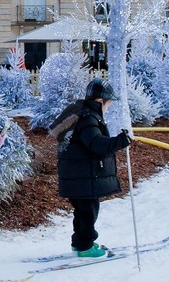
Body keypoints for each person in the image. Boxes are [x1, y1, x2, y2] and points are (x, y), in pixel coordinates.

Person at [50, 78, 134, 259]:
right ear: (99, 101)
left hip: (77, 176)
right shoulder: (89, 118)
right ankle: (85, 247)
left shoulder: (81, 113)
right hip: (84, 176)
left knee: (82, 211)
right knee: (88, 212)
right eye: (108, 103)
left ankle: (80, 242)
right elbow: (96, 144)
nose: (108, 107)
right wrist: (120, 141)